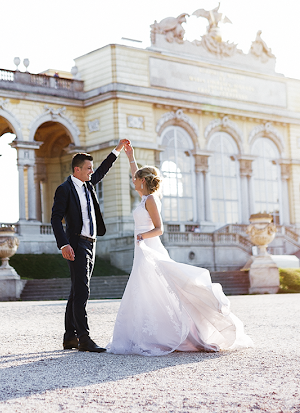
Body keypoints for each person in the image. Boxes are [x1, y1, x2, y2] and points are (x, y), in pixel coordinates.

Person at [107, 142, 253, 355]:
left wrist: (142, 236)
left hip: (149, 248)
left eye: (135, 178)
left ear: (143, 181)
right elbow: (135, 173)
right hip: (142, 249)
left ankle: (181, 333)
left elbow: (159, 229)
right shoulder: (145, 197)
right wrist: (131, 157)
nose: (132, 180)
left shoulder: (151, 201)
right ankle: (142, 334)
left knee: (159, 288)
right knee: (146, 290)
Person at [50, 139, 129, 353]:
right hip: (76, 243)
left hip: (91, 243)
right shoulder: (64, 189)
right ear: (77, 169)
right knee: (82, 290)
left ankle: (69, 337)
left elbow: (103, 169)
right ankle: (84, 339)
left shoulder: (88, 184)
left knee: (77, 290)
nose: (91, 172)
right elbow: (55, 219)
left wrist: (118, 150)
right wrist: (63, 244)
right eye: (88, 168)